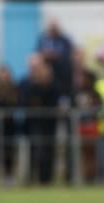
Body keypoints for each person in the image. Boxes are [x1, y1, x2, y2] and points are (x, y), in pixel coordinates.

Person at [37, 20, 77, 182]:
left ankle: (70, 176)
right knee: (45, 143)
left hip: (65, 96)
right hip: (48, 106)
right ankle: (44, 178)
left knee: (69, 141)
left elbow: (67, 61)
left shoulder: (65, 43)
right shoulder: (42, 40)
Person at [19, 54, 57, 185]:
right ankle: (30, 179)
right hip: (32, 123)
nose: (34, 69)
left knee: (47, 152)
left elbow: (53, 100)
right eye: (32, 66)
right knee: (33, 152)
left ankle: (46, 180)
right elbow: (23, 101)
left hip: (48, 124)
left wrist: (45, 83)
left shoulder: (51, 82)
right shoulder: (24, 82)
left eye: (37, 66)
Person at [0, 64, 20, 186]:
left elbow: (16, 104)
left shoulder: (14, 89)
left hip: (11, 124)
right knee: (0, 151)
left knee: (10, 151)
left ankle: (10, 176)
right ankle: (2, 176)